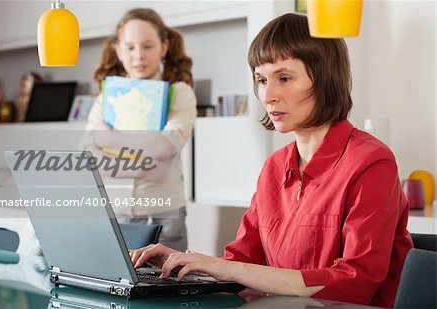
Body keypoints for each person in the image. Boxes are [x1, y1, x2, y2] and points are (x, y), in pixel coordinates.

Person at [129, 13, 413, 308]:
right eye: (261, 80)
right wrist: (188, 264)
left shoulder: (372, 163)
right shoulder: (274, 167)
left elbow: (356, 281)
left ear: (326, 77)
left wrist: (226, 268)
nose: (268, 94)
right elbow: (241, 263)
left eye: (285, 78)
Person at [82, 8, 197, 251]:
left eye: (148, 46)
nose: (138, 56)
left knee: (166, 286)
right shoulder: (106, 98)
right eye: (130, 47)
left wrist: (110, 138)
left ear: (164, 48)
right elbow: (89, 157)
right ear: (118, 50)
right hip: (115, 216)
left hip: (164, 218)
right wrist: (149, 166)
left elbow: (165, 147)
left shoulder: (180, 93)